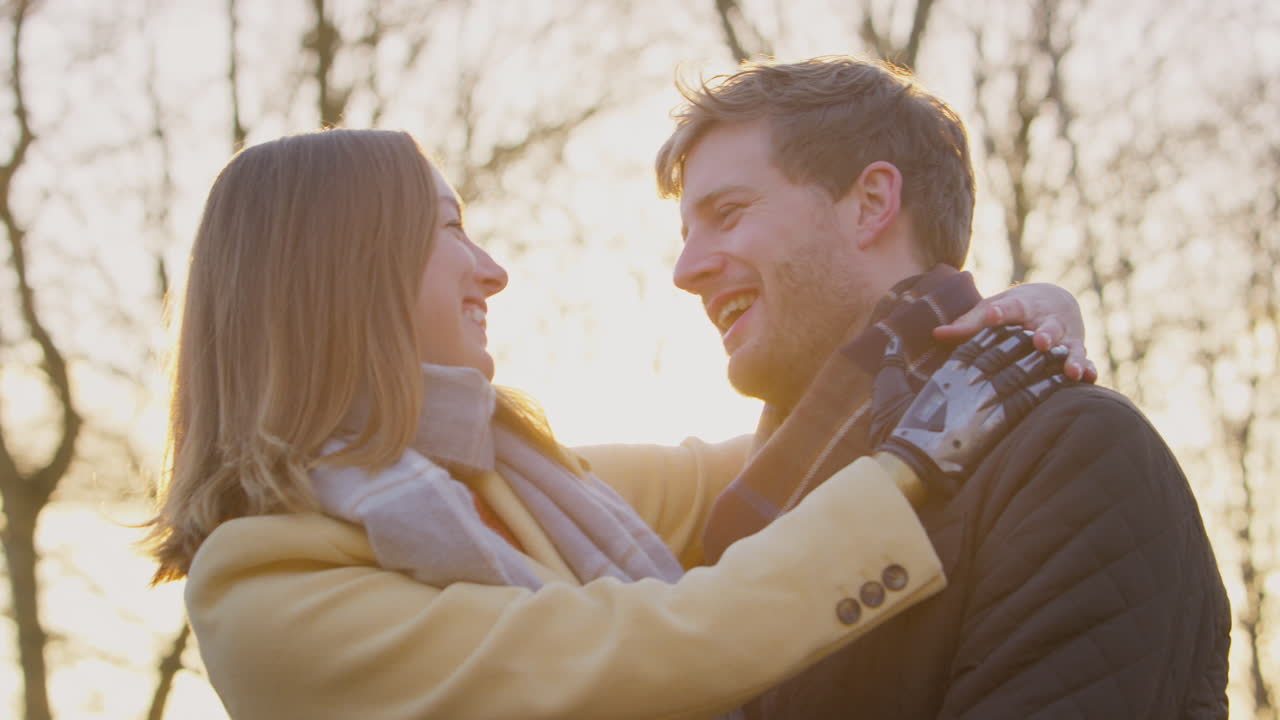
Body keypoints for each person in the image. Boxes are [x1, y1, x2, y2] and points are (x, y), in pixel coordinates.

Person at [143, 128, 1076, 720]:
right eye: (449, 230)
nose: (491, 269)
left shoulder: (512, 479)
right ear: (347, 272)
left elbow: (761, 466)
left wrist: (979, 319)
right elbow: (659, 644)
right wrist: (924, 450)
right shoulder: (268, 598)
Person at [656, 56, 1231, 719]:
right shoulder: (752, 500)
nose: (685, 269)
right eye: (685, 234)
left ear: (871, 204)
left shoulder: (1067, 455)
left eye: (727, 213)